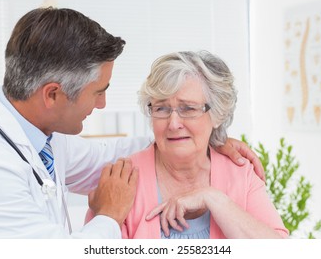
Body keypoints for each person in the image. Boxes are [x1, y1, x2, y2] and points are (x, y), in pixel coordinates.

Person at [0, 7, 262, 239]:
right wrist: (109, 215)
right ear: (52, 94)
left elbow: (110, 156)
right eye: (98, 92)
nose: (102, 104)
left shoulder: (41, 135)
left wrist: (205, 137)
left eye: (188, 108)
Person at [86, 51, 289, 238]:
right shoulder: (120, 183)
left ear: (217, 114)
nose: (173, 124)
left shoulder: (240, 174)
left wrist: (213, 199)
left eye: (188, 109)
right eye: (162, 109)